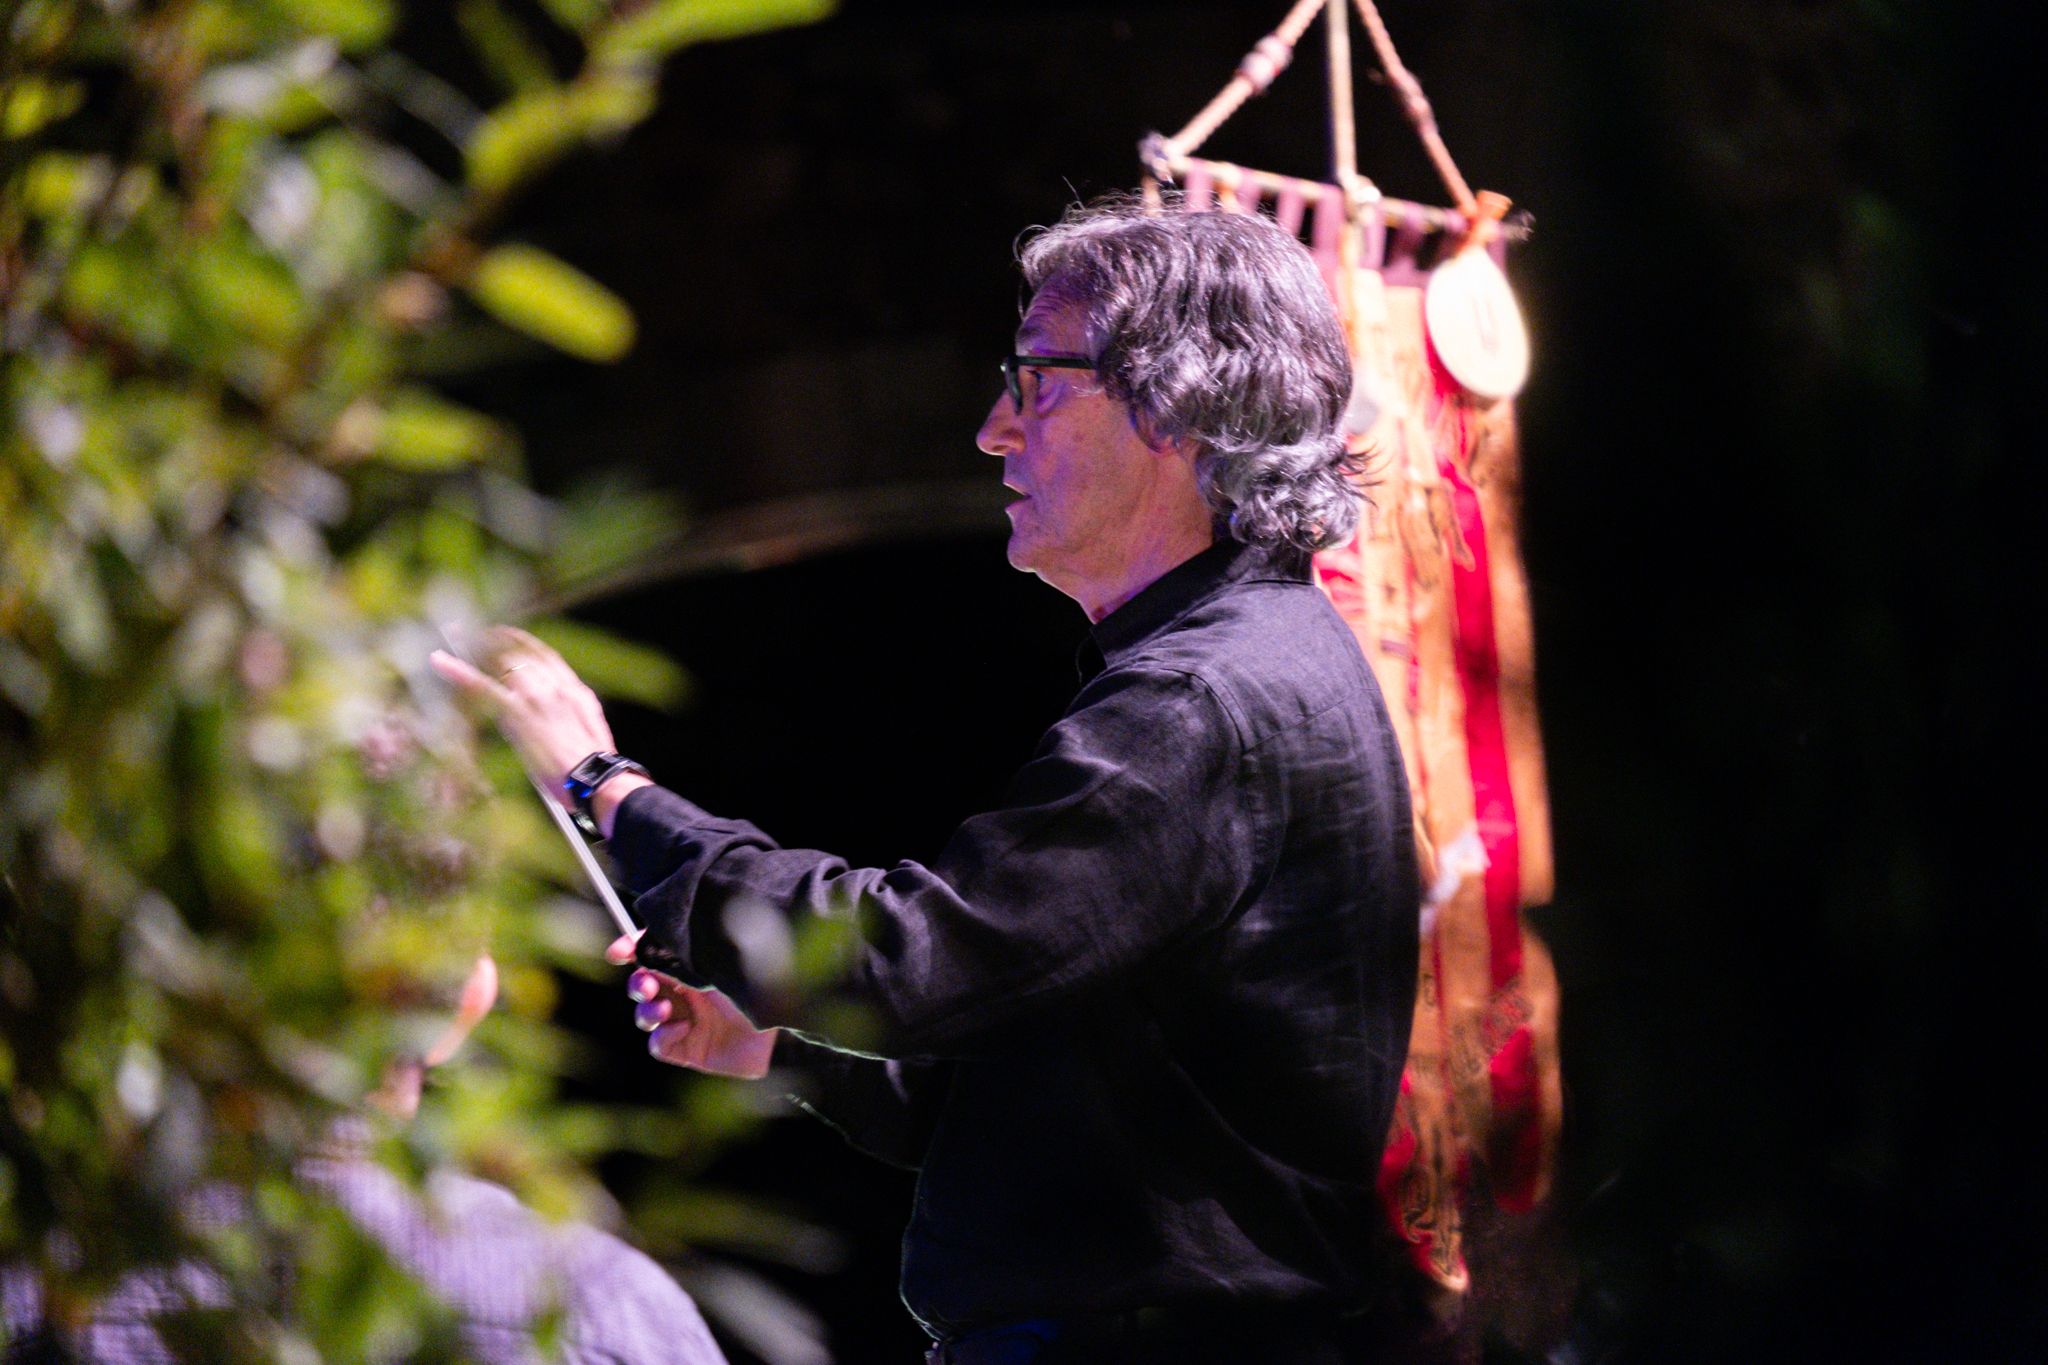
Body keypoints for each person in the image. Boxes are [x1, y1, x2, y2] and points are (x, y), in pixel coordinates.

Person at [433, 195, 1421, 1364]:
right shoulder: (1245, 664)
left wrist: (607, 786)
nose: (994, 430)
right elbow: (1083, 1114)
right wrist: (778, 1047)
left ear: (1176, 405)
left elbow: (911, 961)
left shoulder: (1199, 698)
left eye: (1036, 383)